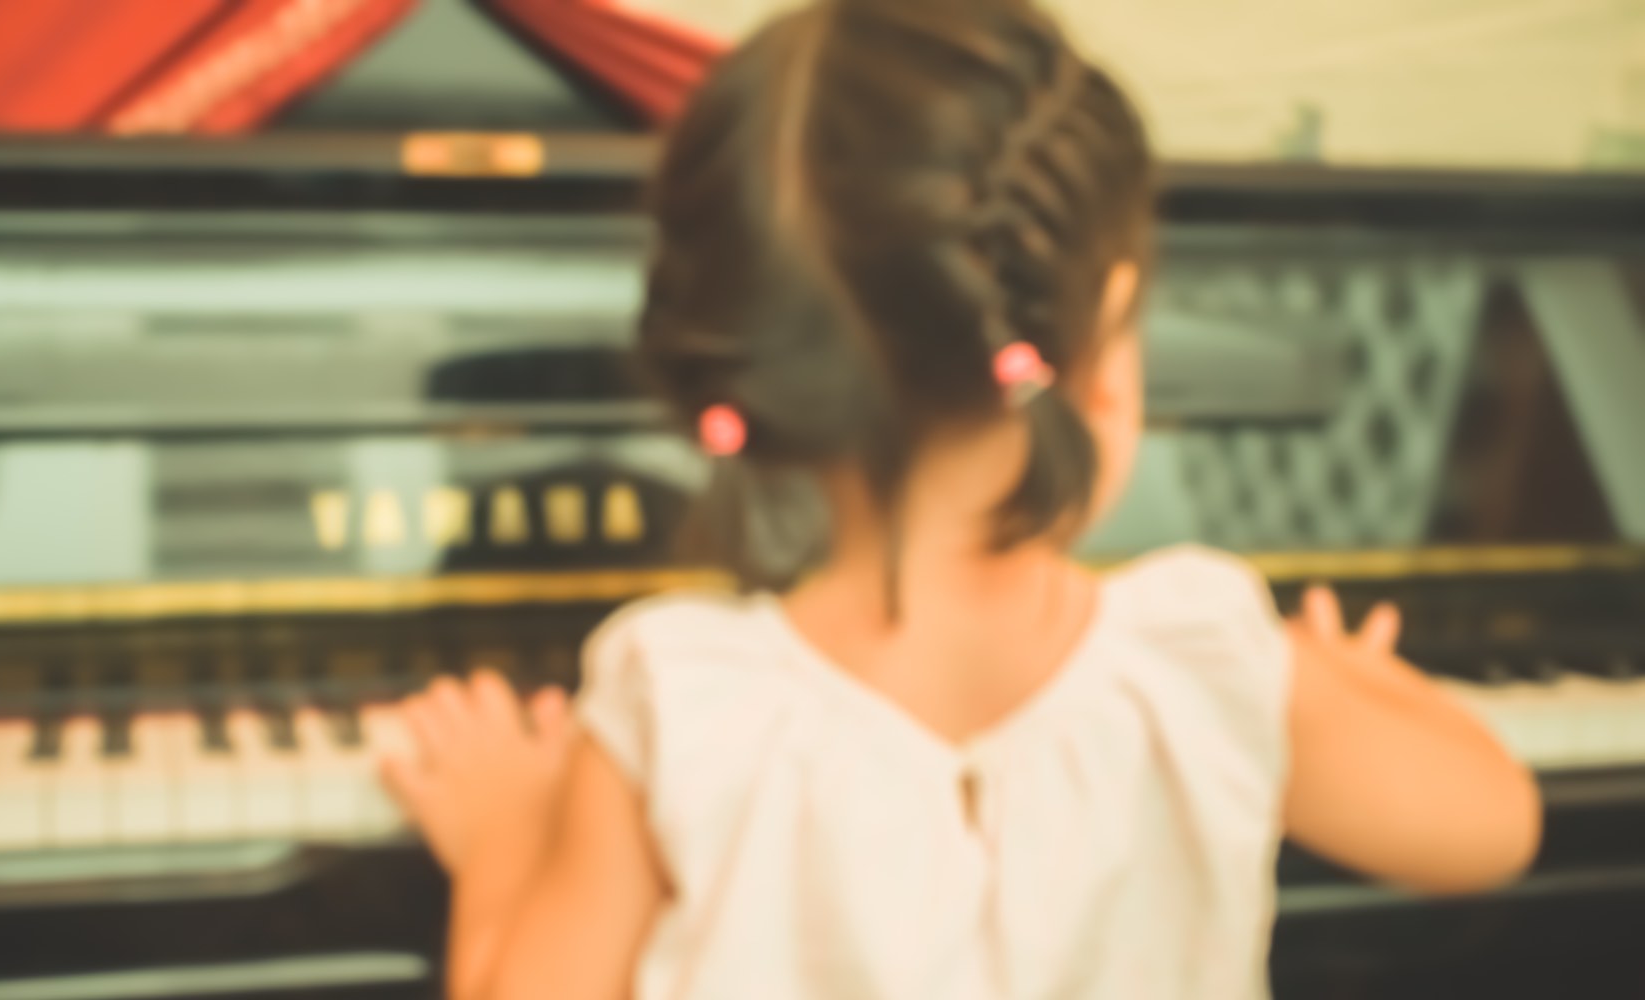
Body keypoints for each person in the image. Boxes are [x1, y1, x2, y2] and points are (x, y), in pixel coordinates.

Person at [378, 0, 1543, 996]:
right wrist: (1356, 681)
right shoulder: (1211, 657)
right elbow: (1492, 828)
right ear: (1109, 344)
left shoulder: (682, 698)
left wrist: (500, 840)